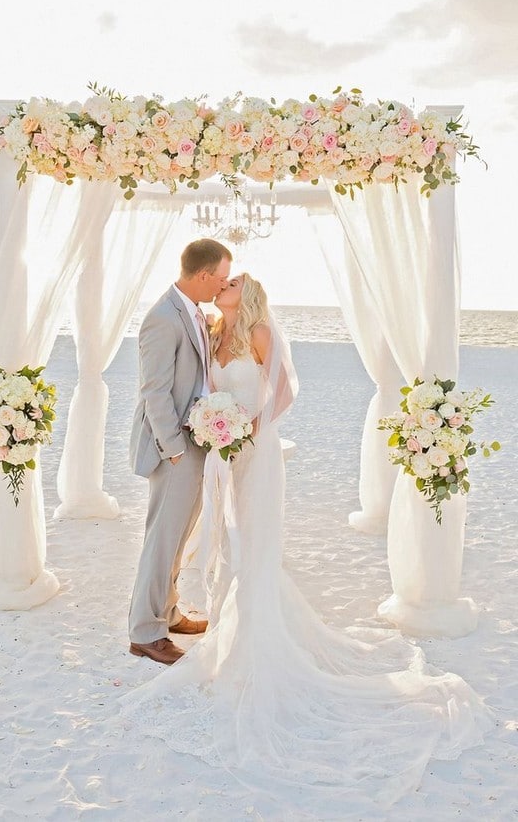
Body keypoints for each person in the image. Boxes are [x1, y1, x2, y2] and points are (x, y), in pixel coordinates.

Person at [120, 272, 492, 814]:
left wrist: (250, 427)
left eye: (233, 282)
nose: (224, 283)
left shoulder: (261, 332)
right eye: (222, 279)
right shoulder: (215, 327)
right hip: (223, 453)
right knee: (225, 541)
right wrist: (214, 425)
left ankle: (255, 643)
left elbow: (286, 391)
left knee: (252, 547)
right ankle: (227, 628)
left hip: (255, 452)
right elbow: (200, 388)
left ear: (245, 295)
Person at [128, 238, 232, 665]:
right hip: (173, 447)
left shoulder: (193, 313)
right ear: (203, 275)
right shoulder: (162, 319)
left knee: (178, 538)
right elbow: (154, 391)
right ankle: (145, 633)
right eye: (221, 279)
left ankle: (167, 612)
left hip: (194, 443)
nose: (222, 287)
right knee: (162, 540)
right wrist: (173, 450)